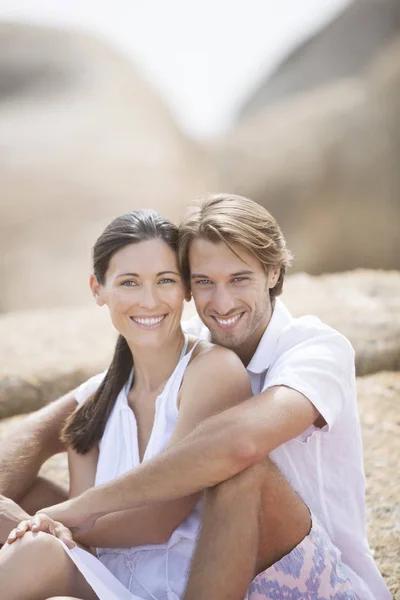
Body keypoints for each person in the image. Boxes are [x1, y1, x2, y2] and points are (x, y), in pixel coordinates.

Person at [1, 194, 390, 600]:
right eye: (204, 282)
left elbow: (239, 444)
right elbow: (50, 426)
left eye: (239, 278)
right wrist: (27, 517)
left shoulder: (314, 348)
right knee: (30, 506)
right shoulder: (173, 342)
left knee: (239, 468)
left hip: (302, 569)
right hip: (199, 566)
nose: (221, 304)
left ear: (273, 272)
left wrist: (79, 510)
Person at [0, 209, 252, 599]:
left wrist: (40, 523)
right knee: (29, 512)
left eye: (165, 280)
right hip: (106, 580)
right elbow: (87, 544)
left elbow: (159, 519)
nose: (148, 301)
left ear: (186, 288)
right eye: (129, 283)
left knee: (36, 548)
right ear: (98, 290)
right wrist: (37, 520)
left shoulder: (213, 372)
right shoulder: (95, 407)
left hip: (177, 586)